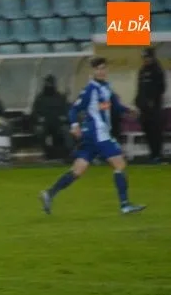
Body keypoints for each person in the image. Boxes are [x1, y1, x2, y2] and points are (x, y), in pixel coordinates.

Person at [40, 57, 146, 215]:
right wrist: (74, 125)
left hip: (91, 136)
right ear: (93, 71)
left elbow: (115, 106)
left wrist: (128, 110)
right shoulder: (91, 89)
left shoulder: (106, 88)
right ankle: (125, 205)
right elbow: (74, 109)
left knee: (78, 170)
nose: (102, 71)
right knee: (120, 165)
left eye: (104, 68)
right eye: (98, 69)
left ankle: (50, 193)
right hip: (99, 134)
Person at [135, 47, 166, 164]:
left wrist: (153, 100)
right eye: (144, 57)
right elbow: (140, 88)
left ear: (152, 57)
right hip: (144, 109)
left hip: (155, 109)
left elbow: (161, 88)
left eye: (147, 57)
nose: (145, 60)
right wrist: (138, 101)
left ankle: (157, 155)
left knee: (155, 132)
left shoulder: (157, 70)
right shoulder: (142, 71)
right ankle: (152, 154)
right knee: (147, 131)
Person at [31, 75, 72, 161]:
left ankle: (67, 154)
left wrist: (63, 118)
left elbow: (66, 110)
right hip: (45, 124)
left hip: (58, 124)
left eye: (50, 83)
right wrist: (39, 119)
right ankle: (45, 153)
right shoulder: (40, 98)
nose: (49, 85)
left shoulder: (59, 97)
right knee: (40, 131)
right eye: (47, 83)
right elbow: (34, 112)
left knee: (65, 130)